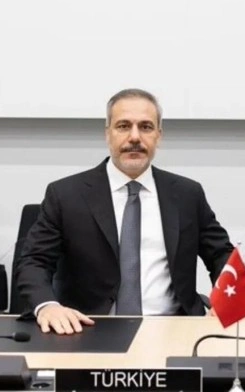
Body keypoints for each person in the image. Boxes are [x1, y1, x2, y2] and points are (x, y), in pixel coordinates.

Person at [16, 88, 233, 334]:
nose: (135, 137)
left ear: (159, 136)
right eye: (123, 126)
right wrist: (48, 306)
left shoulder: (187, 194)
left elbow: (221, 254)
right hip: (88, 329)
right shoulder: (66, 195)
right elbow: (34, 261)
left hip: (174, 328)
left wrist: (230, 300)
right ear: (107, 134)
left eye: (146, 127)